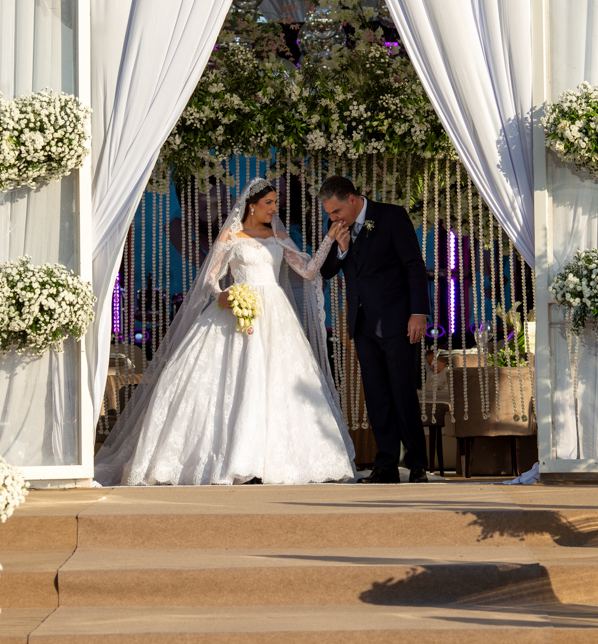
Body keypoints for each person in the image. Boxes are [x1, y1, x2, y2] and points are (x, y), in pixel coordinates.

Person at [94, 177, 356, 487]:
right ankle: (229, 460)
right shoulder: (231, 235)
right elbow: (210, 277)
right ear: (251, 206)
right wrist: (222, 296)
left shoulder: (278, 235)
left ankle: (269, 460)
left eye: (275, 202)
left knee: (276, 383)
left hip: (274, 315)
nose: (274, 208)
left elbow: (309, 270)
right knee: (230, 383)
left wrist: (329, 240)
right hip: (236, 311)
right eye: (268, 203)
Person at [319, 174, 429, 483]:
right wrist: (340, 247)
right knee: (377, 395)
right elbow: (326, 270)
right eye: (329, 213)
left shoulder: (391, 216)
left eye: (336, 211)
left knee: (403, 392)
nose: (333, 218)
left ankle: (417, 463)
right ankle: (386, 466)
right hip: (362, 324)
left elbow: (413, 265)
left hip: (398, 322)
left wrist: (418, 312)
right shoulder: (337, 227)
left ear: (352, 200)